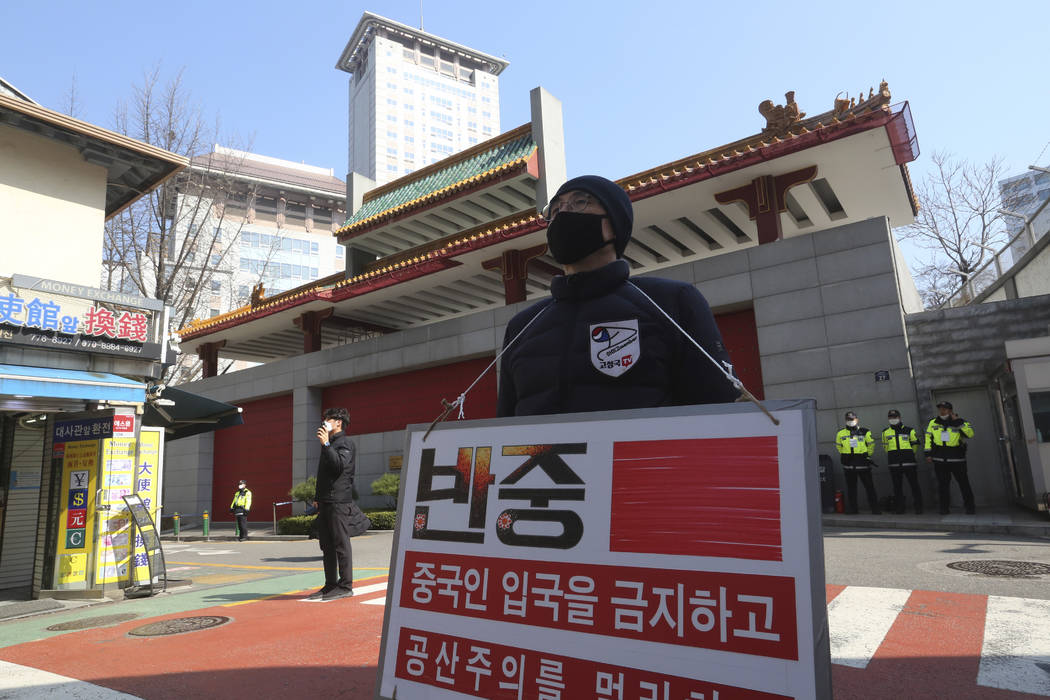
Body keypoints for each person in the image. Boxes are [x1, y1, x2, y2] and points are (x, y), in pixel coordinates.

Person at [497, 175, 740, 417]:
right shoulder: (521, 326)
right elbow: (504, 427)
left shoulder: (672, 302)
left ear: (614, 222)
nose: (563, 213)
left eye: (580, 202)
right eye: (556, 208)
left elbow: (717, 410)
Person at [305, 407, 363, 601]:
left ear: (339, 422)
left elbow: (338, 466)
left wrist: (326, 444)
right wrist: (317, 496)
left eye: (329, 418)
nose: (325, 421)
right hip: (326, 501)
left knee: (341, 543)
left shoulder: (345, 443)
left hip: (339, 501)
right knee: (326, 545)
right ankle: (330, 584)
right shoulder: (329, 445)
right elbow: (325, 475)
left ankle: (345, 585)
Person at [925, 401, 976, 514]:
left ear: (950, 410)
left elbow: (970, 434)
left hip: (957, 459)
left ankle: (970, 507)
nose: (942, 411)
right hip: (940, 459)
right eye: (940, 409)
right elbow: (928, 438)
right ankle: (944, 509)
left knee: (964, 484)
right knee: (943, 486)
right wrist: (928, 454)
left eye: (945, 409)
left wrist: (957, 422)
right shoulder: (933, 422)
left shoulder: (960, 421)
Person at [835, 411, 881, 514]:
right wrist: (845, 455)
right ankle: (853, 509)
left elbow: (871, 445)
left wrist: (867, 455)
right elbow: (839, 446)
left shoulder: (865, 432)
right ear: (845, 421)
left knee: (869, 487)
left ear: (857, 419)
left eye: (852, 419)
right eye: (848, 420)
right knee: (851, 489)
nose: (850, 421)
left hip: (863, 464)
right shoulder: (840, 433)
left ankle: (875, 509)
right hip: (849, 465)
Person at [881, 409, 923, 514]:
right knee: (897, 487)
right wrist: (893, 456)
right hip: (894, 463)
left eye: (895, 417)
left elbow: (915, 445)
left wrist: (909, 454)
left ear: (899, 418)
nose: (893, 419)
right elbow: (885, 447)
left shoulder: (910, 430)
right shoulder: (885, 432)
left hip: (909, 462)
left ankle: (918, 507)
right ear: (888, 419)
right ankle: (900, 508)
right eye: (891, 417)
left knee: (914, 485)